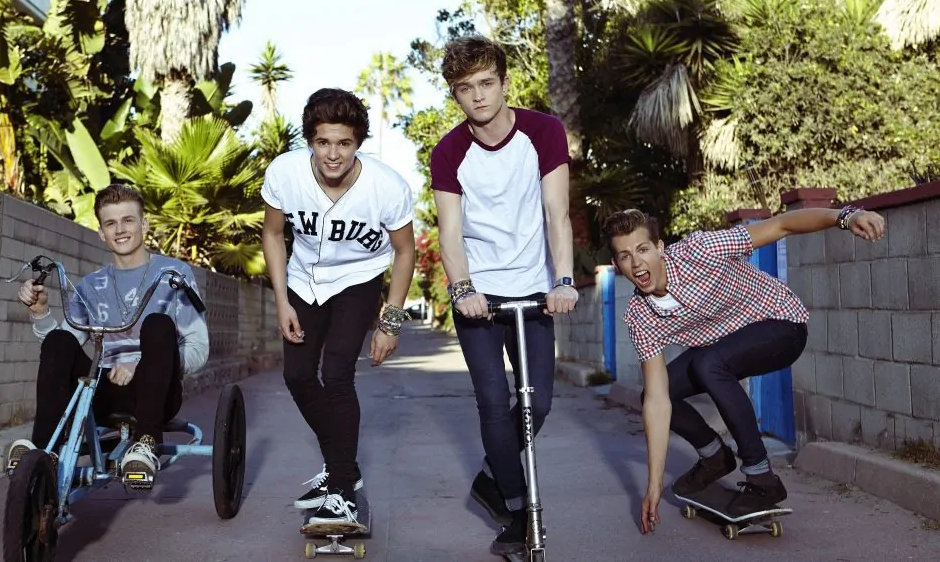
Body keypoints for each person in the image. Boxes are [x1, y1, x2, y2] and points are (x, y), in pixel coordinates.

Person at [602, 205, 886, 535]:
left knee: (709, 364)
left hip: (781, 325)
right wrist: (653, 486)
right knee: (661, 391)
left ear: (660, 248)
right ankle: (714, 457)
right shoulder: (639, 316)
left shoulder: (700, 250)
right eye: (625, 256)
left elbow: (781, 225)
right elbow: (657, 401)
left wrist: (846, 217)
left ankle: (761, 476)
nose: (637, 263)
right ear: (617, 265)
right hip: (725, 346)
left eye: (643, 249)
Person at [430, 35, 578, 557]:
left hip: (534, 289)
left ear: (504, 82)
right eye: (465, 88)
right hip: (478, 296)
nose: (478, 96)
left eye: (486, 83)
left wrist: (564, 280)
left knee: (539, 401)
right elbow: (449, 232)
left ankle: (493, 475)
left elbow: (557, 214)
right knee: (494, 402)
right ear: (455, 93)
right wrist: (462, 288)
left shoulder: (544, 131)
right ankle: (516, 510)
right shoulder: (448, 151)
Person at [260, 88, 417, 525]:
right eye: (323, 142)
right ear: (310, 140)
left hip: (358, 280)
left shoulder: (386, 187)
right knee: (297, 375)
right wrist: (281, 301)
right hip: (303, 280)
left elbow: (406, 251)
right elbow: (272, 234)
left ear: (358, 142)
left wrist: (390, 322)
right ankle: (343, 467)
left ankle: (342, 491)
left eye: (344, 143)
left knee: (337, 374)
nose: (333, 154)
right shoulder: (285, 173)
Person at [7, 183, 209, 491]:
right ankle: (44, 450)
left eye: (128, 220)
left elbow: (199, 348)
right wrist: (40, 312)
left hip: (157, 391)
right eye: (111, 223)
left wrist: (142, 364)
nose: (120, 230)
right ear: (101, 233)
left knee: (158, 324)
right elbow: (60, 351)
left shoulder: (175, 275)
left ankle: (146, 443)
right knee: (59, 342)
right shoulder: (90, 286)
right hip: (103, 392)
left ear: (144, 224)